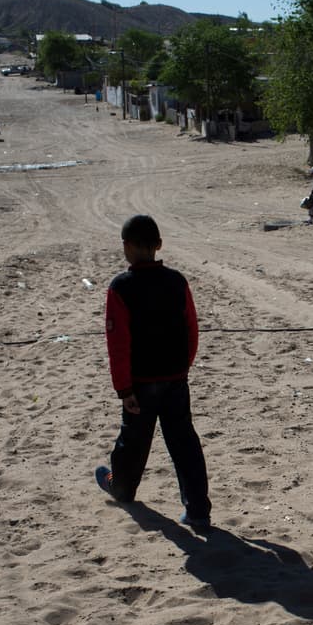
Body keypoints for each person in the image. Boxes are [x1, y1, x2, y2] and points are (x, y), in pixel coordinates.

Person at [95, 215, 212, 529]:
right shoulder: (176, 281)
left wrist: (123, 389)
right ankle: (198, 509)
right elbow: (191, 330)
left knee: (132, 443)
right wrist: (183, 367)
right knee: (184, 442)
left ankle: (121, 488)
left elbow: (118, 343)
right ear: (159, 245)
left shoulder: (121, 287)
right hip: (175, 378)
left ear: (126, 247)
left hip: (141, 384)